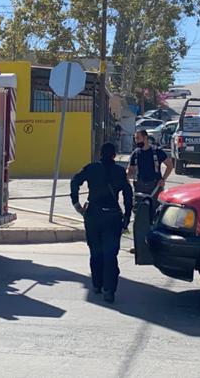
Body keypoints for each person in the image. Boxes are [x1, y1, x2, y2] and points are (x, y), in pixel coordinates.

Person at [71, 142, 133, 303]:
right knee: (110, 254)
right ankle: (109, 290)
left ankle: (97, 284)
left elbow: (75, 181)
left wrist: (76, 203)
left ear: (100, 154)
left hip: (93, 216)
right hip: (112, 216)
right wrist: (127, 216)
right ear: (114, 155)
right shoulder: (120, 171)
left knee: (95, 251)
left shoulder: (91, 168)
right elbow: (128, 194)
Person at [127, 129, 174, 262]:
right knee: (139, 216)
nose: (136, 141)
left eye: (138, 138)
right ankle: (139, 245)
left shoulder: (157, 152)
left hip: (155, 188)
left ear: (146, 138)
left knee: (155, 216)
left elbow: (170, 165)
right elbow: (130, 170)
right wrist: (126, 177)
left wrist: (163, 179)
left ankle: (155, 246)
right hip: (140, 187)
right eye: (135, 139)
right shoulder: (135, 153)